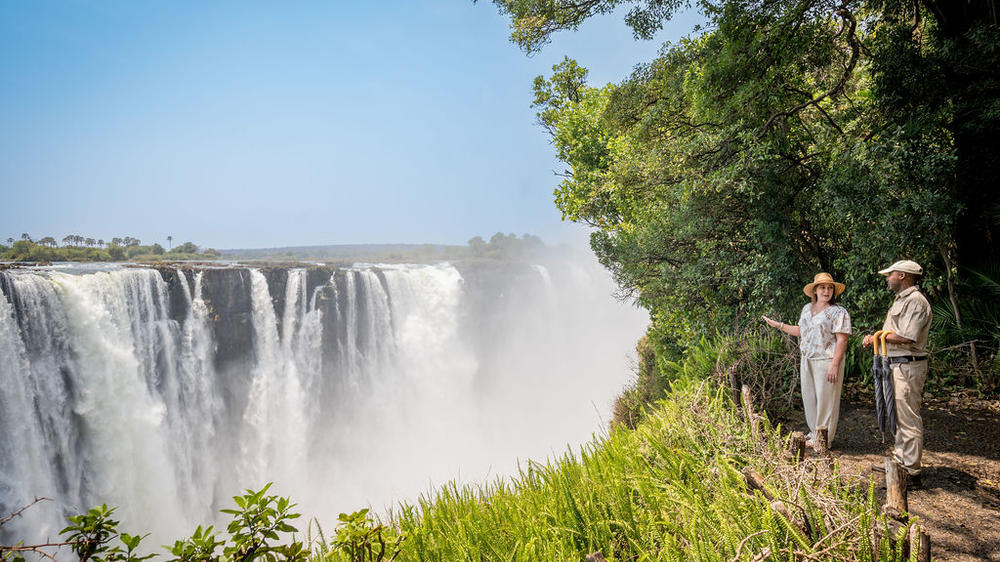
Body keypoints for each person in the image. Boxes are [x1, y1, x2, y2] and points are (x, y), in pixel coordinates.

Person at [862, 260, 931, 487]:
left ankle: (911, 472)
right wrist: (877, 338)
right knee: (898, 415)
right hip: (895, 364)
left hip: (908, 365)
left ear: (902, 275)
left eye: (890, 274)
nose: (887, 278)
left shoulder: (917, 302)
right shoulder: (902, 300)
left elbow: (907, 336)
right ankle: (900, 462)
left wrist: (877, 336)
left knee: (908, 417)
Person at [763, 272, 851, 447]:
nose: (826, 291)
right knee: (810, 398)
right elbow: (800, 331)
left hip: (826, 360)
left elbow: (842, 339)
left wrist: (835, 364)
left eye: (830, 288)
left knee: (826, 400)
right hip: (807, 359)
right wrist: (778, 325)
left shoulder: (838, 312)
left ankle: (824, 440)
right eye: (822, 287)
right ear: (815, 291)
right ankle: (813, 433)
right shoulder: (806, 309)